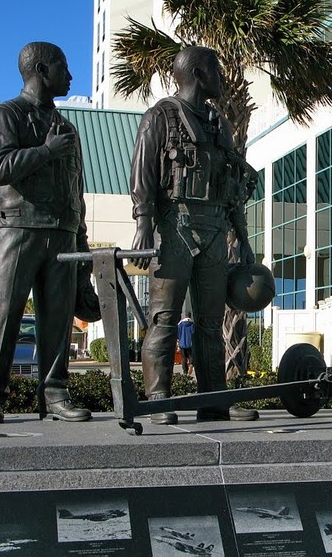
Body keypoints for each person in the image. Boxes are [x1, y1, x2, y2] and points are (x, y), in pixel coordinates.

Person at [129, 45, 258, 424]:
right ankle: (159, 399)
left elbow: (232, 184)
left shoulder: (220, 124)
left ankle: (213, 399)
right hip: (175, 227)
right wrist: (143, 226)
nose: (221, 76)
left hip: (216, 229)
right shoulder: (160, 117)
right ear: (199, 74)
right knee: (164, 319)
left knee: (210, 322)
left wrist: (243, 237)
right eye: (215, 69)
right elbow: (143, 177)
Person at [0, 42, 92, 424]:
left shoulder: (67, 127)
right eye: (64, 67)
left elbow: (77, 189)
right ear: (42, 70)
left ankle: (55, 394)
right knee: (5, 313)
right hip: (17, 229)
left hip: (62, 231)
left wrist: (82, 239)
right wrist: (46, 151)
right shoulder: (6, 114)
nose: (71, 76)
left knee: (58, 319)